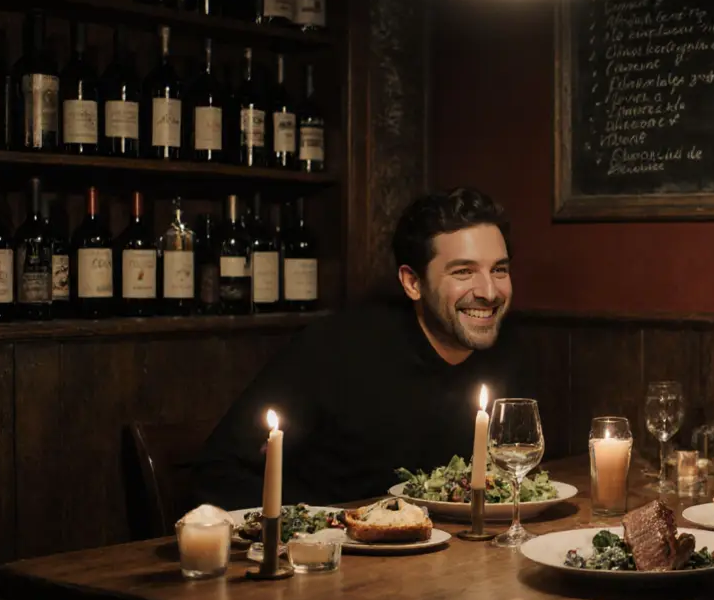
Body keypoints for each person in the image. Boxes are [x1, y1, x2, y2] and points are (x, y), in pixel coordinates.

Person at [194, 187, 535, 510]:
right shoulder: (335, 349)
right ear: (412, 283)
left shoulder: (508, 349)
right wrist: (319, 525)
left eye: (499, 270)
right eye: (464, 271)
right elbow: (217, 471)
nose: (489, 292)